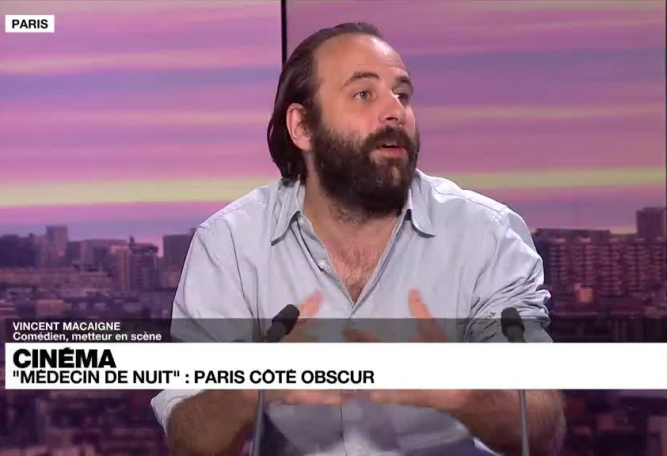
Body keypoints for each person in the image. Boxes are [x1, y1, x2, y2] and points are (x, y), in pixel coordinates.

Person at [152, 22, 565, 456]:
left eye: (402, 94)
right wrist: (255, 383)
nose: (395, 111)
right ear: (302, 126)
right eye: (364, 94)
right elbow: (189, 440)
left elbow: (542, 426)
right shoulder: (231, 245)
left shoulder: (488, 235)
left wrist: (464, 393)